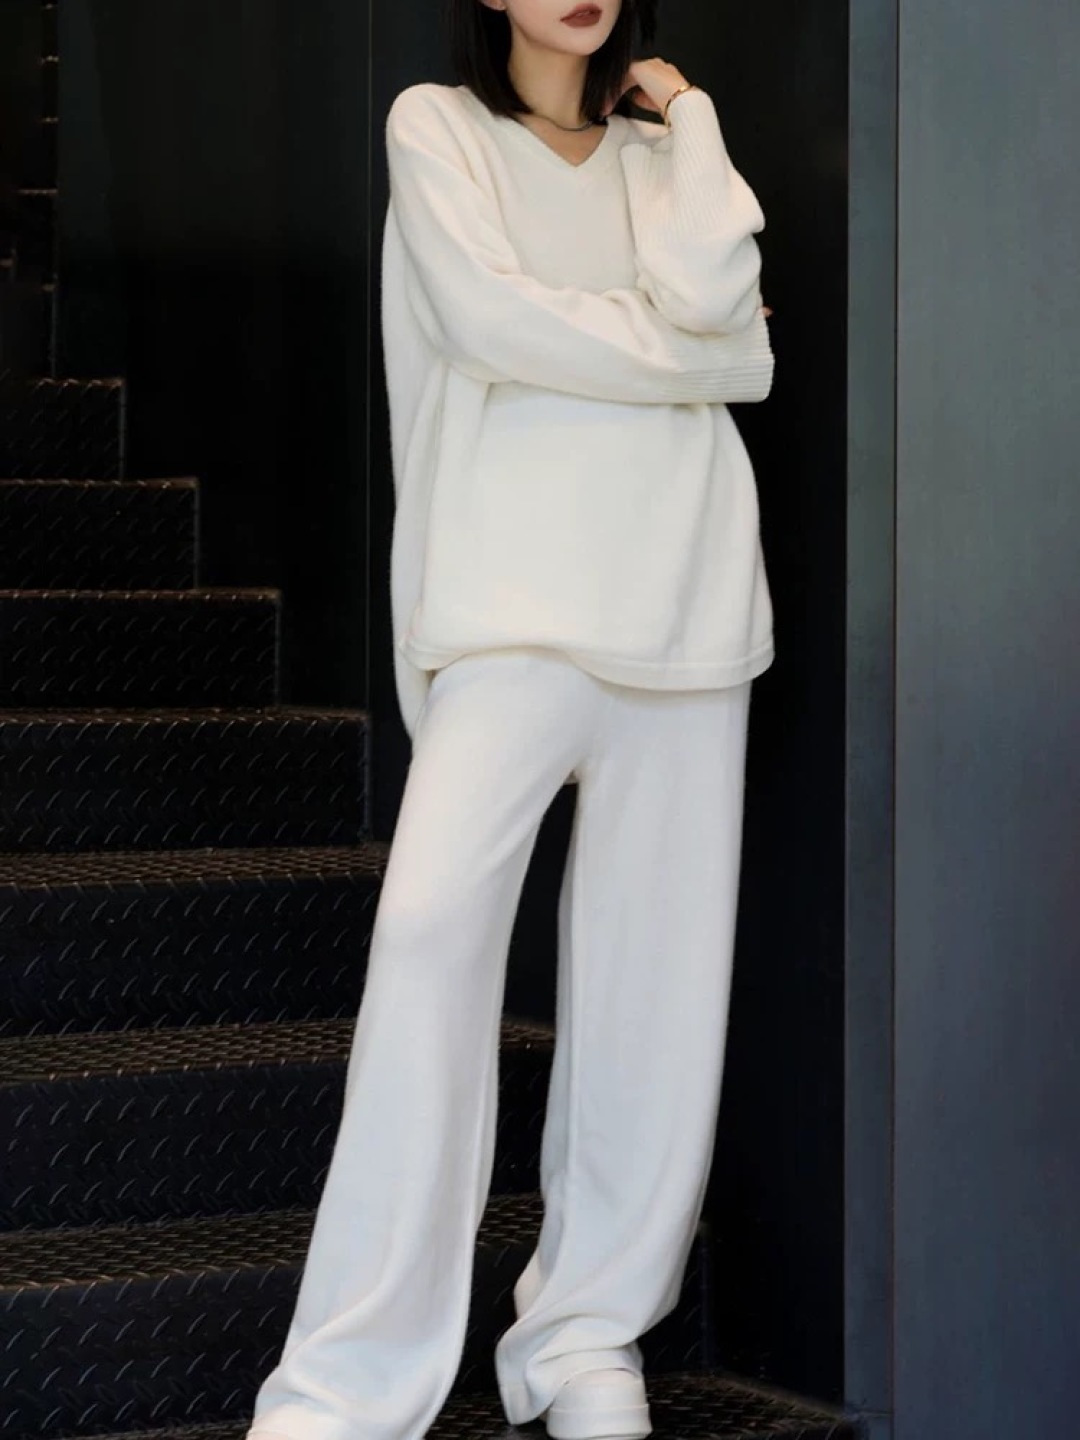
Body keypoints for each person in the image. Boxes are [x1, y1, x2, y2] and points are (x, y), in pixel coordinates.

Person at [244, 1, 775, 1438]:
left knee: (657, 990)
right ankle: (348, 1378)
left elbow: (725, 293)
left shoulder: (663, 157)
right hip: (508, 605)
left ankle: (587, 1334)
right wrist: (703, 362)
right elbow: (493, 320)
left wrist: (693, 116)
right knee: (427, 940)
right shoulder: (440, 130)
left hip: (687, 600)